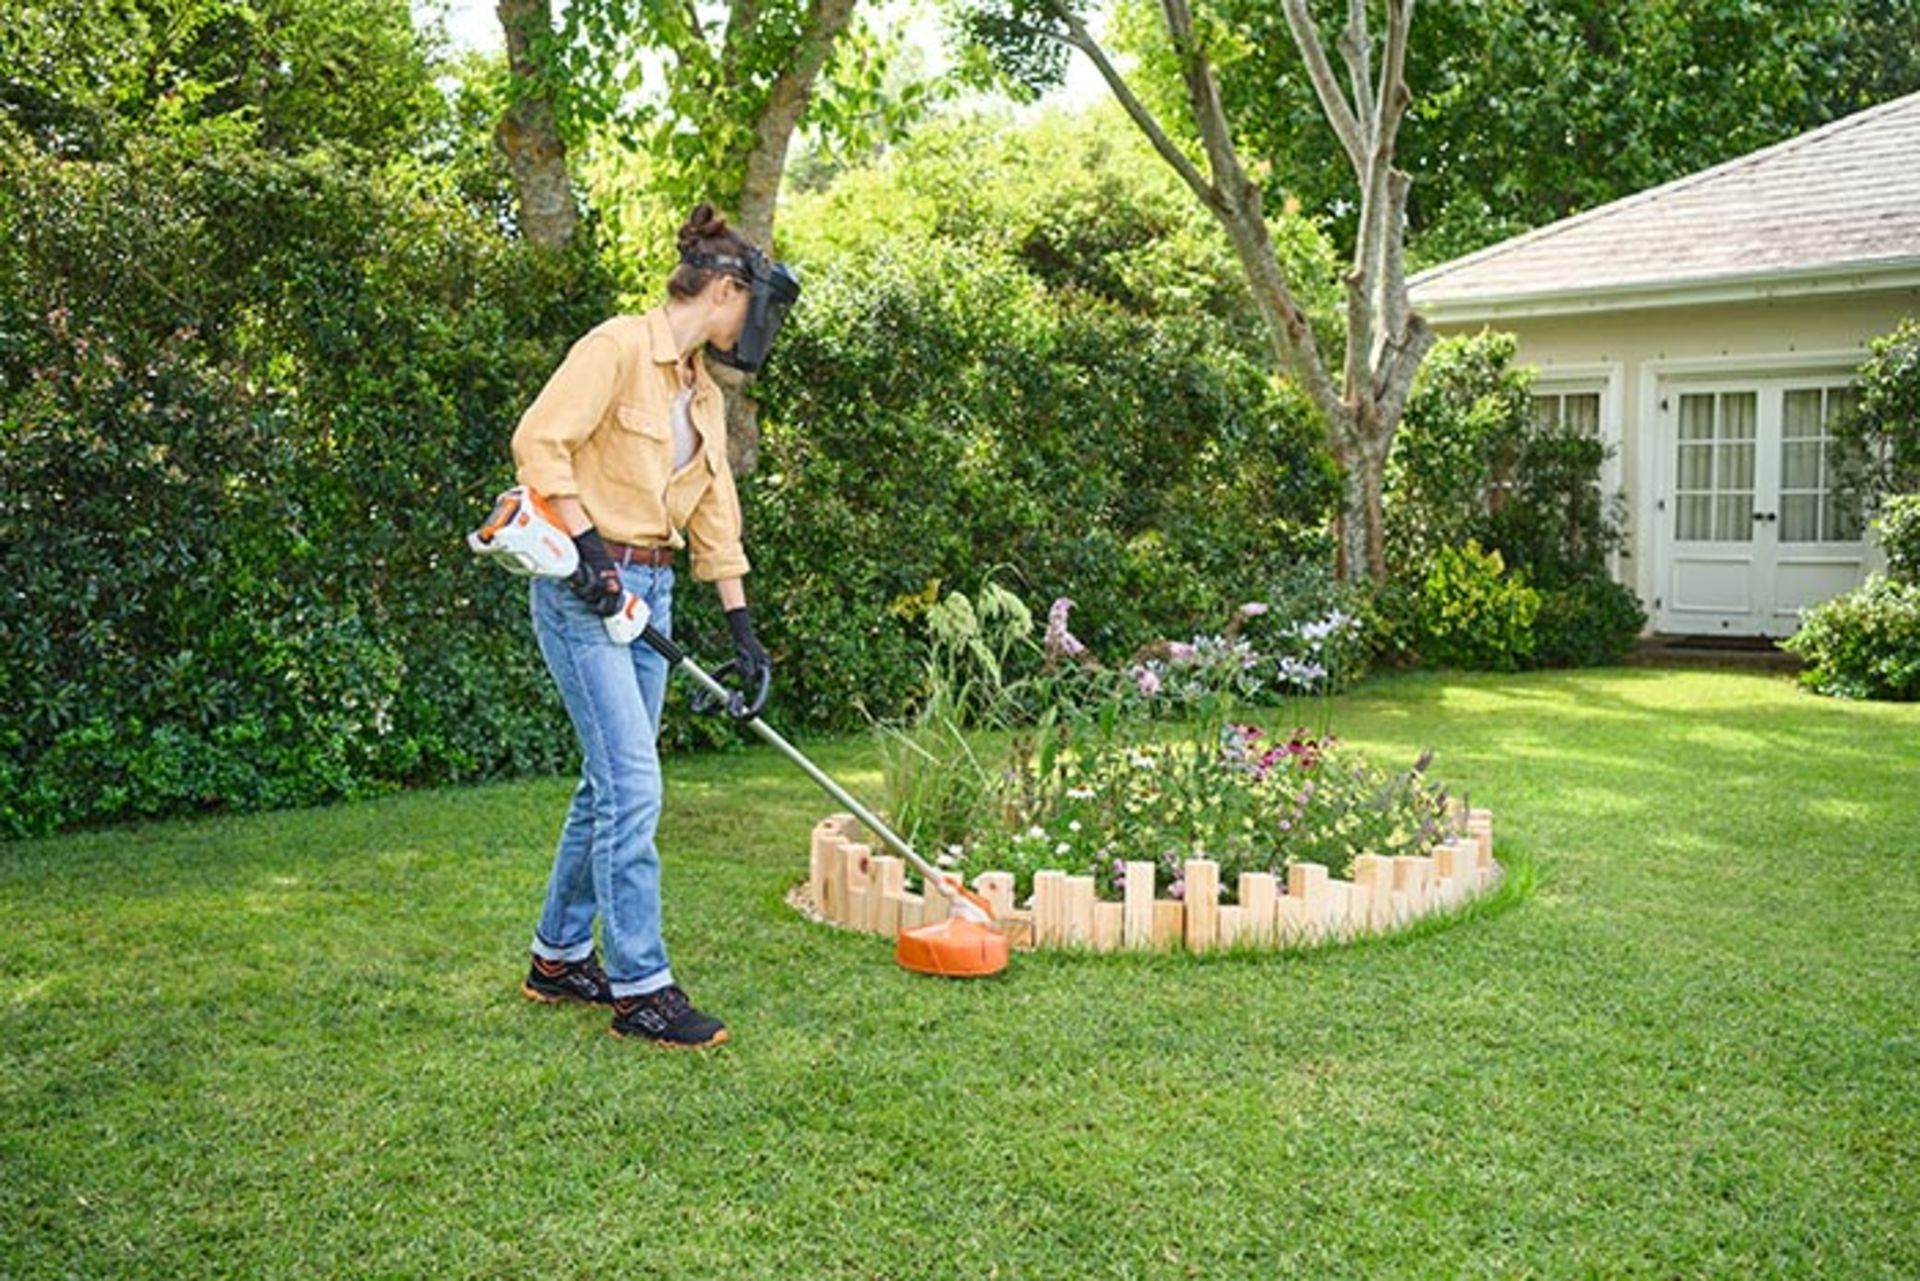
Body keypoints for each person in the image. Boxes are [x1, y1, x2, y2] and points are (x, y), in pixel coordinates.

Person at [507, 203, 796, 1048]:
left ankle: (558, 958)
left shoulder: (700, 393)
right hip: (583, 591)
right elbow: (540, 443)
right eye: (756, 307)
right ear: (725, 291)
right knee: (633, 786)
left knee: (607, 786)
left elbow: (714, 513)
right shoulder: (616, 349)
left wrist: (742, 630)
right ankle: (641, 988)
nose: (756, 327)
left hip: (650, 593)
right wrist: (588, 547)